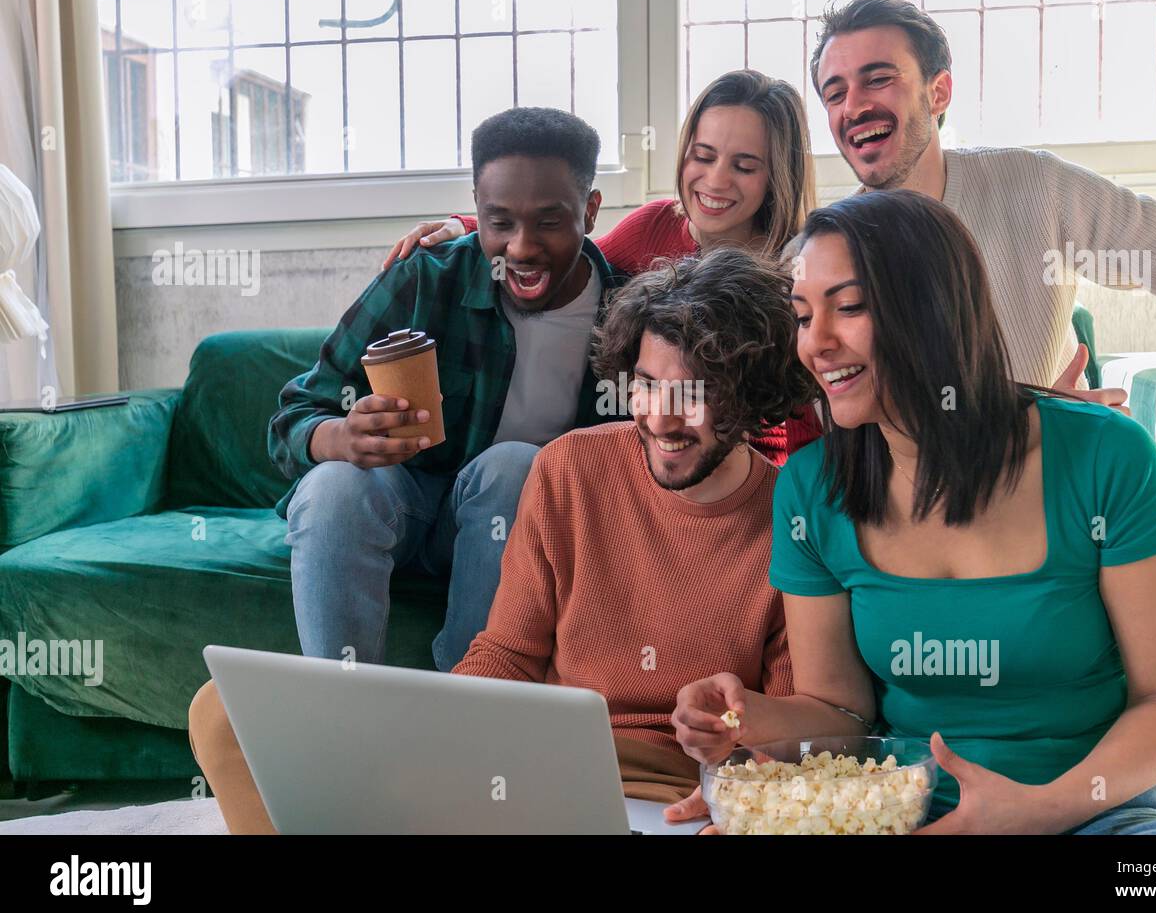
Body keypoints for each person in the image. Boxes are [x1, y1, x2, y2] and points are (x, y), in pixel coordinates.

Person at [189, 247, 815, 832]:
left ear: (751, 396)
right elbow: (508, 652)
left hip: (678, 796)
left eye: (694, 394)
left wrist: (734, 741)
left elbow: (787, 725)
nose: (660, 417)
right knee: (224, 713)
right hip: (536, 771)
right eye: (647, 384)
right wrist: (433, 730)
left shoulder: (791, 516)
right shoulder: (570, 468)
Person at [670, 190, 1156, 834]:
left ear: (931, 310)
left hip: (1100, 808)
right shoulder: (812, 489)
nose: (815, 343)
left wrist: (1038, 812)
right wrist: (742, 719)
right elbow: (843, 715)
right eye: (801, 316)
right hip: (907, 810)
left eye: (848, 308)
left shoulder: (1108, 456)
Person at [803, 0, 1156, 639]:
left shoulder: (1033, 191)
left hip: (1055, 480)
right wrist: (1030, 407)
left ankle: (1141, 717)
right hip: (910, 502)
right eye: (834, 92)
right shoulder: (826, 251)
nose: (853, 106)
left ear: (939, 92)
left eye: (879, 78)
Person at [267, 107, 625, 673]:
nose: (522, 247)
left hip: (519, 530)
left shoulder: (624, 317)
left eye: (550, 222)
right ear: (476, 210)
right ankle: (343, 707)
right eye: (500, 222)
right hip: (397, 511)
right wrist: (339, 435)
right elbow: (293, 416)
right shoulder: (424, 278)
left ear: (591, 210)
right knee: (335, 484)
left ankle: (465, 698)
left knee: (513, 466)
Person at [382, 69, 823, 463]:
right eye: (703, 156)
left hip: (758, 468)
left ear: (777, 177)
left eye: (744, 166)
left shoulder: (797, 267)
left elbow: (803, 417)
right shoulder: (654, 227)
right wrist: (470, 226)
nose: (716, 180)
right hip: (659, 456)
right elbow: (567, 251)